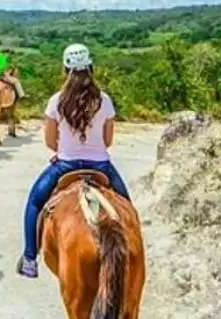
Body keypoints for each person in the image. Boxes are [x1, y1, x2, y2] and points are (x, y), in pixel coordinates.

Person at [16, 43, 131, 279]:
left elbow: (50, 142)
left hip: (65, 166)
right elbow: (108, 141)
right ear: (90, 67)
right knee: (127, 206)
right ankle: (132, 252)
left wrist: (66, 149)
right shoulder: (104, 100)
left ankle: (29, 258)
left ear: (65, 69)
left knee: (35, 201)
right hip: (101, 165)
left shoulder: (56, 101)